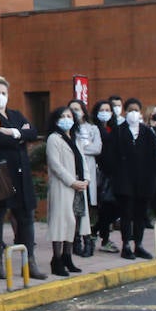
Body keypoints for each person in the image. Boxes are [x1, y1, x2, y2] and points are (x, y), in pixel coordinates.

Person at [0, 76, 47, 279]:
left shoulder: (16, 114)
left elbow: (32, 132)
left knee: (26, 217)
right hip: (1, 173)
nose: (1, 96)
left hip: (21, 173)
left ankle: (29, 262)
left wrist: (14, 133)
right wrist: (16, 136)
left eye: (4, 93)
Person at [107, 98, 156, 260]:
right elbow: (110, 157)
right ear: (125, 112)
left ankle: (139, 244)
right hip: (124, 182)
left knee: (140, 215)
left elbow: (154, 158)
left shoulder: (147, 133)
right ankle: (126, 245)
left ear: (141, 112)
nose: (133, 113)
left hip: (143, 182)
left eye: (136, 110)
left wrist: (151, 180)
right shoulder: (118, 131)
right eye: (130, 110)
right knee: (126, 214)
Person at [44, 107, 89, 276]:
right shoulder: (53, 139)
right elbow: (55, 165)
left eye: (69, 116)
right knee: (60, 223)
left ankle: (67, 257)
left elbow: (82, 161)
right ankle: (56, 260)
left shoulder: (75, 139)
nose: (66, 119)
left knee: (73, 222)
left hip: (78, 186)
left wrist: (86, 180)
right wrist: (72, 182)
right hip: (63, 186)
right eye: (62, 116)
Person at [69, 98, 102, 258]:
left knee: (88, 207)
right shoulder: (70, 129)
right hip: (74, 171)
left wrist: (82, 148)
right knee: (76, 207)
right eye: (72, 109)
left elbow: (97, 148)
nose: (75, 112)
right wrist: (83, 148)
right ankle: (76, 240)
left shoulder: (93, 128)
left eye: (78, 109)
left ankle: (87, 239)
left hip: (89, 170)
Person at [91, 100, 120, 253]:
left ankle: (95, 230)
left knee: (115, 206)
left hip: (115, 173)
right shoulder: (93, 128)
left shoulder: (115, 128)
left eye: (108, 109)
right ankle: (104, 238)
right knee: (105, 206)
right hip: (100, 172)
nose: (105, 112)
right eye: (102, 109)